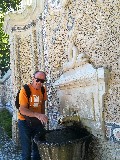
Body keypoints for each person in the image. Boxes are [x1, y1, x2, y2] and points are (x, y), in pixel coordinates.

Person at [18, 71, 48, 160]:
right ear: (33, 78)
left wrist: (42, 116)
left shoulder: (43, 89)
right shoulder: (25, 90)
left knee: (38, 149)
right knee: (26, 151)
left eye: (42, 81)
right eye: (37, 80)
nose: (39, 83)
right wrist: (37, 115)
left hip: (37, 122)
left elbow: (42, 103)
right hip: (24, 122)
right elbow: (22, 110)